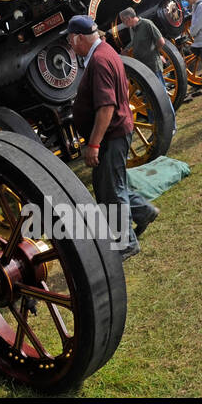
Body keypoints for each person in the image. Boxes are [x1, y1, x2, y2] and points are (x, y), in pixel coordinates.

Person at [66, 15, 156, 259]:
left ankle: (127, 242)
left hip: (111, 134)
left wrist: (93, 144)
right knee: (114, 183)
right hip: (117, 130)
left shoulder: (99, 60)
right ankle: (144, 211)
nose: (70, 46)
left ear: (79, 38)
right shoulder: (107, 51)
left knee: (112, 189)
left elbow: (106, 107)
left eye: (70, 40)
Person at [119, 7, 164, 78]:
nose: (123, 24)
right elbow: (134, 41)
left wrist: (156, 54)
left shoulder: (147, 23)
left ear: (128, 18)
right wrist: (126, 50)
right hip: (143, 67)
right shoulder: (131, 29)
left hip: (153, 66)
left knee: (161, 88)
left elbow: (161, 41)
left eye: (123, 21)